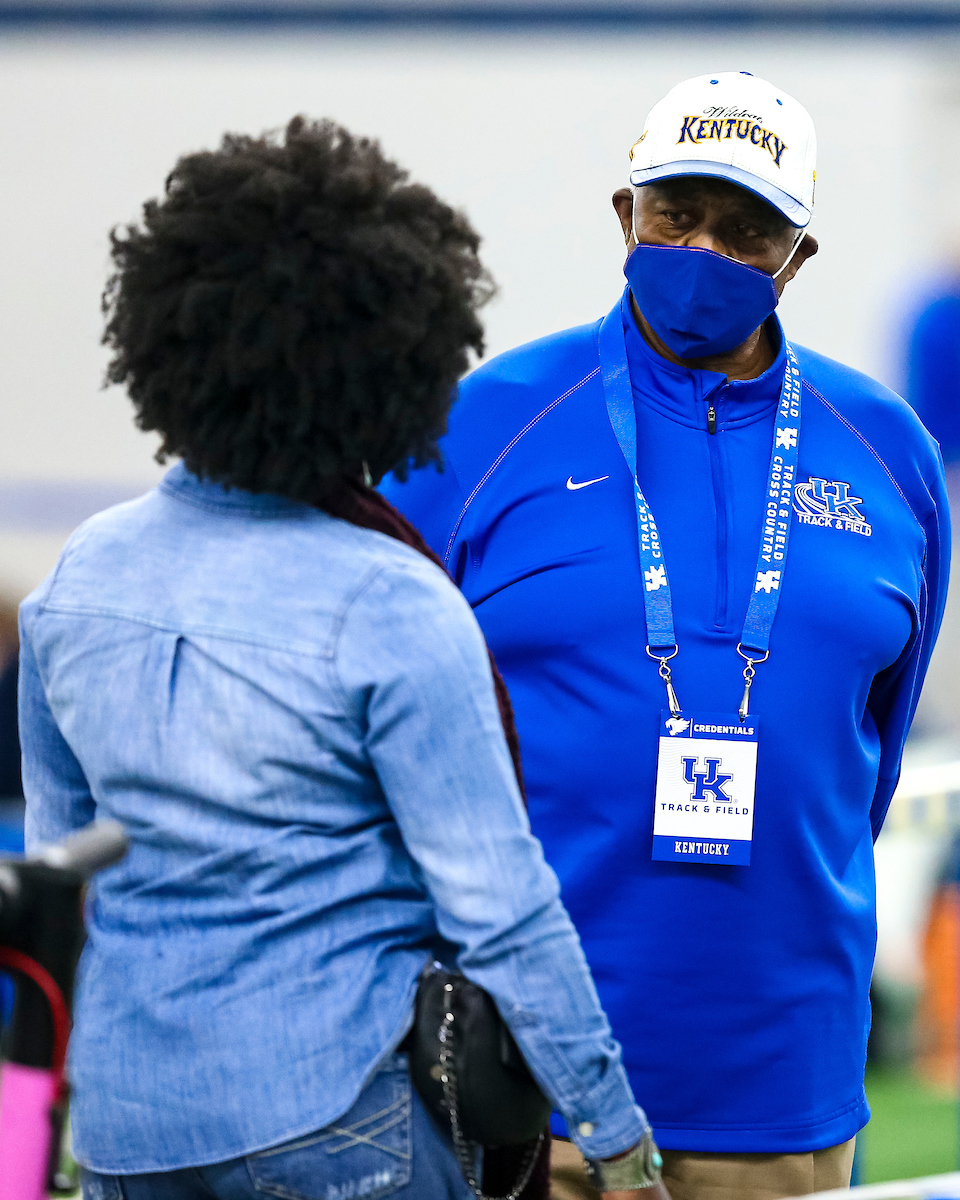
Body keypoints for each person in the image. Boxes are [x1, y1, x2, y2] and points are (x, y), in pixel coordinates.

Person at [18, 118, 669, 1200]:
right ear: (393, 368)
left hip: (127, 1132)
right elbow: (500, 910)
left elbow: (64, 879)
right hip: (337, 1125)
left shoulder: (74, 583)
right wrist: (612, 1131)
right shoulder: (392, 603)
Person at [383, 71, 950, 1200]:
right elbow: (386, 721)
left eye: (747, 230)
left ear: (800, 257)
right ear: (622, 215)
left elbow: (866, 757)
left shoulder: (889, 451)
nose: (702, 249)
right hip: (514, 1081)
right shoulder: (480, 425)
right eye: (675, 214)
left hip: (781, 1087)